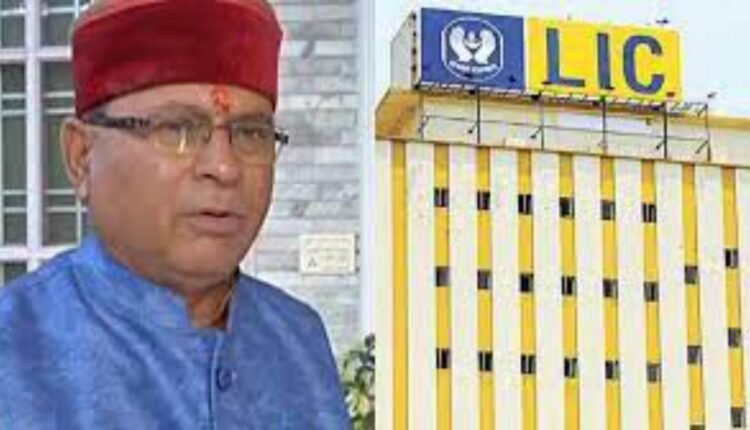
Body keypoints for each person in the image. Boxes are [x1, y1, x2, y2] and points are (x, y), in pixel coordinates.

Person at [0, 0, 350, 428]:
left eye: (251, 133)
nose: (224, 167)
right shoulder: (13, 346)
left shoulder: (298, 339)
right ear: (81, 156)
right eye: (177, 129)